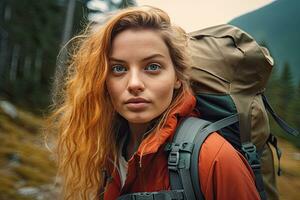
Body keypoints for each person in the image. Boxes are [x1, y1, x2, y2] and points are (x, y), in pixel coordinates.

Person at [49, 6, 260, 200]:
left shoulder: (213, 157)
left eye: (152, 67)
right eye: (119, 69)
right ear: (103, 80)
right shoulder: (105, 150)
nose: (134, 84)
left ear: (177, 77)